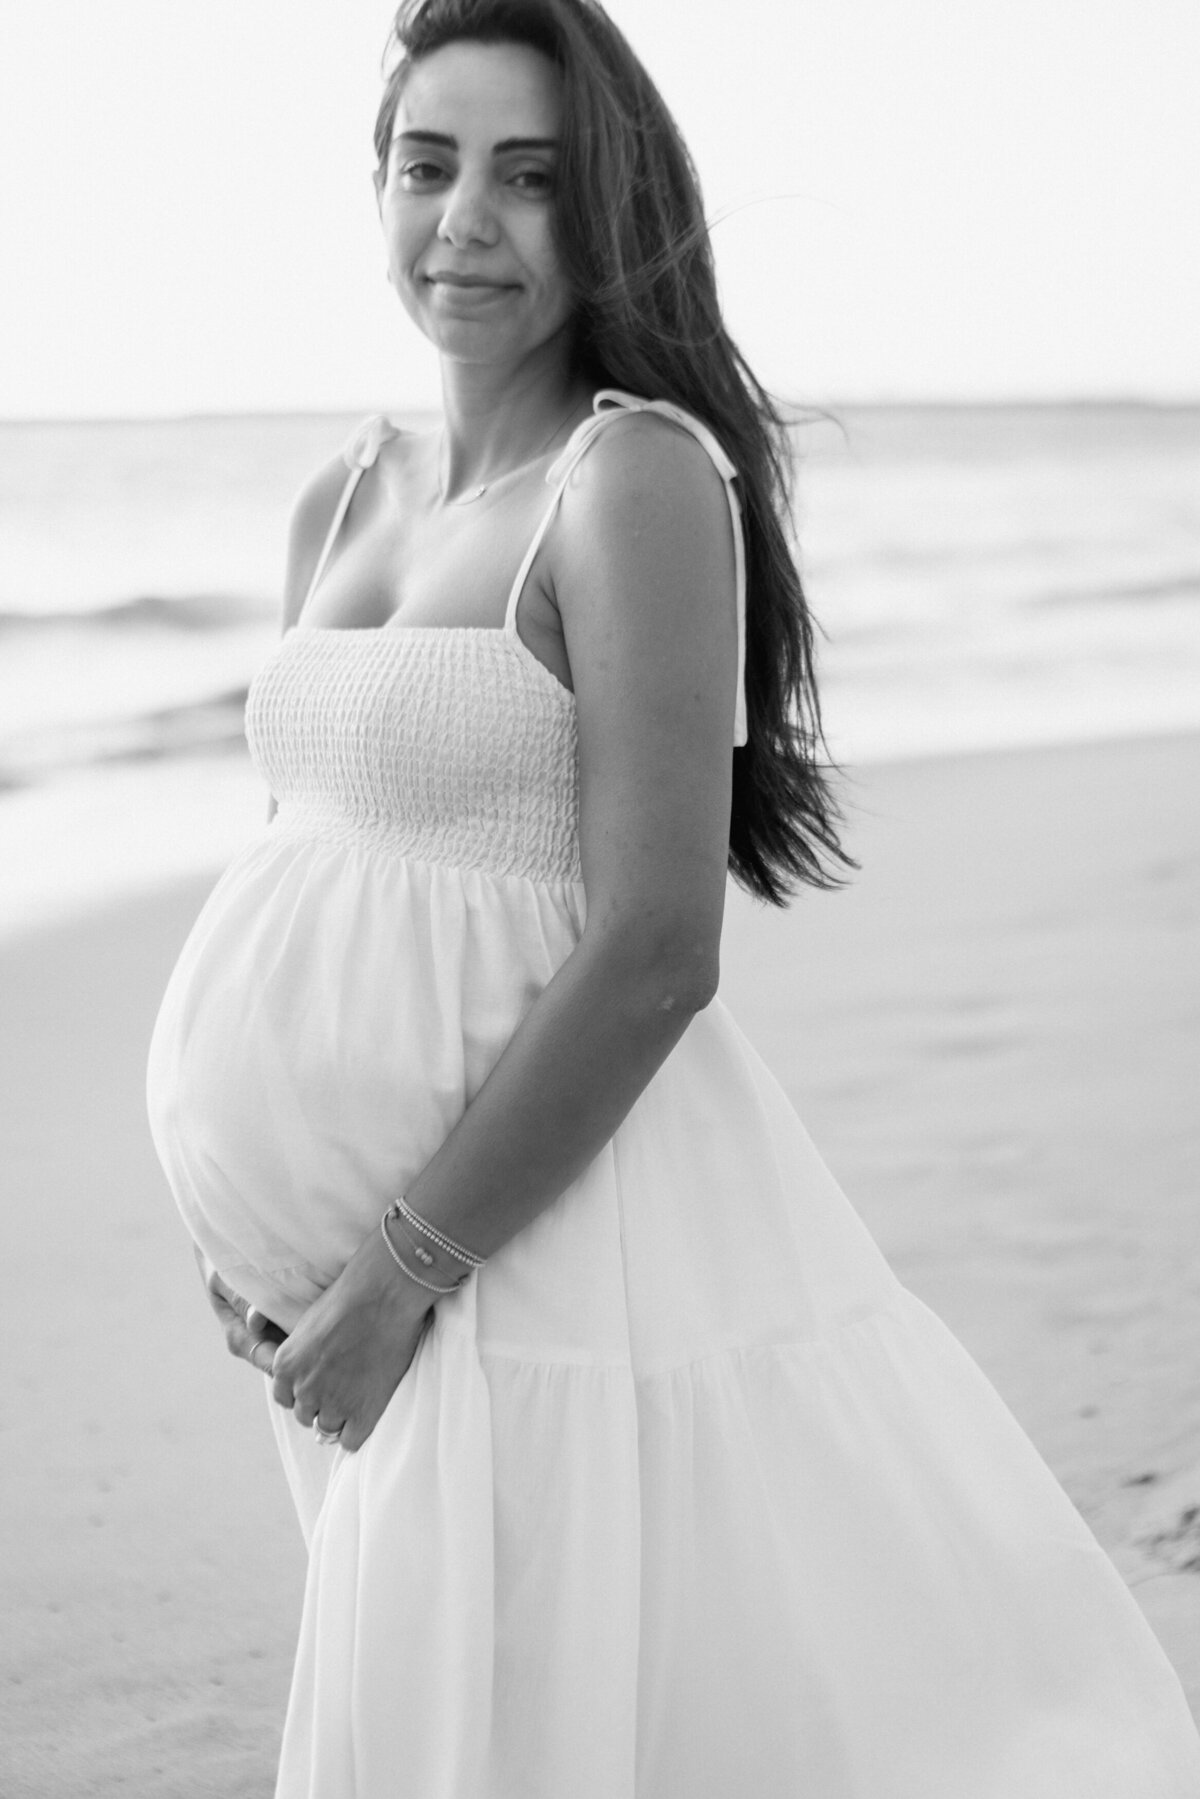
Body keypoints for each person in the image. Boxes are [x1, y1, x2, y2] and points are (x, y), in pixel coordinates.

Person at [146, 1, 1200, 1793]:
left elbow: (654, 950)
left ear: (609, 209)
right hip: (336, 1292)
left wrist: (399, 1272)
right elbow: (300, 853)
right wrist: (244, 1234)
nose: (465, 219)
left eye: (530, 179)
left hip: (526, 1258)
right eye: (427, 164)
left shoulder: (633, 479)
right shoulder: (346, 491)